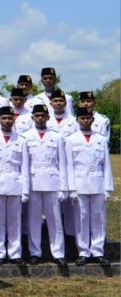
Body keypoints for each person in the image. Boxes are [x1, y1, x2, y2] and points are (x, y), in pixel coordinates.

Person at [0, 106, 29, 266]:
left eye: (10, 118)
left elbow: (25, 167)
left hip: (16, 183)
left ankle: (15, 253)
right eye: (4, 118)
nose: (7, 121)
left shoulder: (21, 139)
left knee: (15, 220)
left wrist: (25, 190)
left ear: (14, 120)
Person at [65, 107, 113, 266]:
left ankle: (98, 251)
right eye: (82, 118)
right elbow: (69, 166)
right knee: (81, 218)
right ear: (77, 120)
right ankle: (84, 251)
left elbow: (106, 165)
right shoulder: (71, 140)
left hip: (97, 183)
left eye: (88, 118)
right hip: (79, 185)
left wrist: (107, 188)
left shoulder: (100, 139)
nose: (85, 121)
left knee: (99, 218)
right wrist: (71, 188)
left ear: (92, 120)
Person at [21, 104, 68, 267]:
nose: (40, 118)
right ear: (32, 117)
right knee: (33, 220)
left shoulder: (57, 136)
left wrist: (64, 187)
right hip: (33, 183)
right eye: (37, 115)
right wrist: (24, 187)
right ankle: (35, 252)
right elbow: (24, 165)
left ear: (48, 118)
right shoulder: (25, 137)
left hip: (52, 182)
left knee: (54, 220)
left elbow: (62, 163)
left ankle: (58, 253)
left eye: (43, 115)